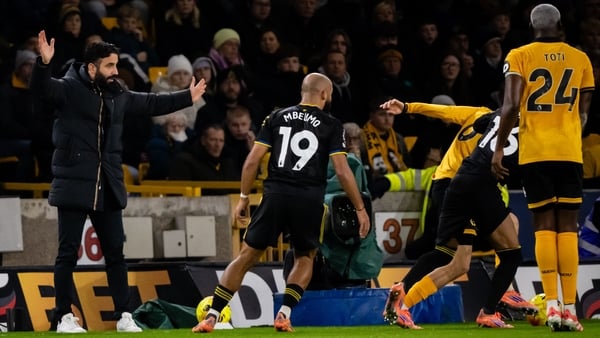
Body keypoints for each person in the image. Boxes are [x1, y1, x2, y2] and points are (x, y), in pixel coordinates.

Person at [30, 30, 206, 333]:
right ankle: (63, 317)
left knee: (115, 254)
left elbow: (150, 103)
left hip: (108, 185)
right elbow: (41, 90)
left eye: (115, 66)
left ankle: (124, 315)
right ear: (92, 67)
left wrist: (185, 98)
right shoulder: (69, 89)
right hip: (74, 183)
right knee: (67, 253)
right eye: (109, 66)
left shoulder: (117, 93)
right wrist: (43, 64)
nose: (115, 72)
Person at [192, 73, 370, 333]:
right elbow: (342, 171)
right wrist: (360, 208)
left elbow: (252, 161)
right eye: (330, 94)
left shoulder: (275, 117)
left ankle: (213, 315)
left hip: (275, 195)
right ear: (324, 94)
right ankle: (284, 314)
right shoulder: (332, 125)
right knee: (305, 256)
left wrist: (243, 198)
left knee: (246, 256)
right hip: (308, 199)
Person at [491, 4, 594, 332]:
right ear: (560, 25)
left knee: (543, 226)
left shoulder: (519, 55)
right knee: (568, 226)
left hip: (535, 152)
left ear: (531, 25)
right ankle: (569, 311)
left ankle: (550, 306)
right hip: (568, 151)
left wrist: (498, 148)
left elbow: (509, 106)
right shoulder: (581, 59)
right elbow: (584, 112)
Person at [380, 105, 523, 329]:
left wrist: (408, 106)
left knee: (454, 260)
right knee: (510, 236)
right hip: (470, 186)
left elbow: (441, 110)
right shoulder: (527, 127)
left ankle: (402, 299)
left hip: (447, 184)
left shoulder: (482, 114)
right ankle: (502, 297)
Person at [168, 123, 240, 185]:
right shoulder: (184, 161)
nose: (218, 145)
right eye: (213, 140)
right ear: (203, 141)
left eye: (221, 140)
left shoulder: (228, 163)